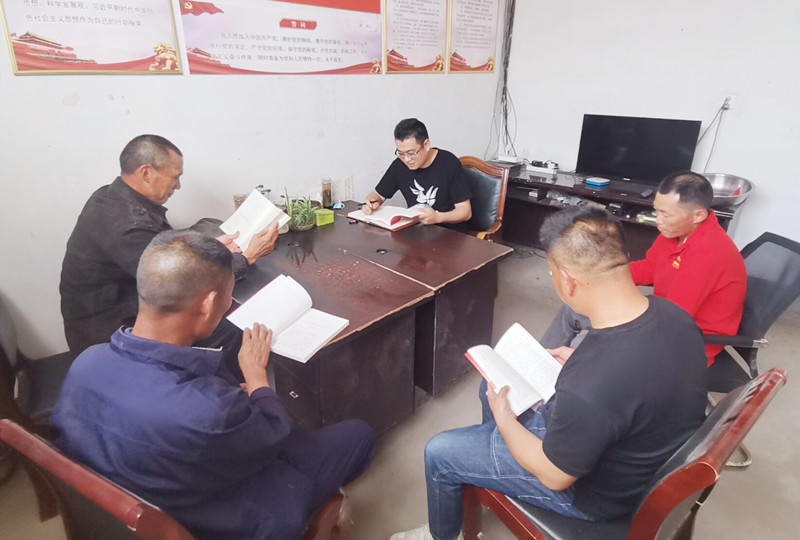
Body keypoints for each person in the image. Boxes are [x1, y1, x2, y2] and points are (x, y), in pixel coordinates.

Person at [392, 207, 708, 540]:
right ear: (623, 258)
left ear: (568, 281)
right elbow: (631, 380)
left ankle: (443, 535)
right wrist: (577, 362)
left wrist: (505, 419)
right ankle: (489, 470)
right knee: (495, 386)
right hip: (632, 451)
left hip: (593, 495)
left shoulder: (591, 383)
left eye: (552, 273)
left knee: (440, 452)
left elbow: (555, 476)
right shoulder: (674, 316)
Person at [51, 230, 375, 540]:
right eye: (228, 297)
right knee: (358, 435)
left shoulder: (86, 362)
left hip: (147, 489)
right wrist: (256, 376)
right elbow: (274, 432)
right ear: (207, 304)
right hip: (231, 517)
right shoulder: (209, 411)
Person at [59, 134, 278, 369]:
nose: (178, 185)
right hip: (111, 335)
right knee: (232, 328)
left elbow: (165, 251)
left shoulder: (110, 196)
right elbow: (182, 281)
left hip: (126, 306)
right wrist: (246, 257)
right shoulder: (129, 225)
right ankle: (232, 389)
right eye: (175, 177)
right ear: (146, 173)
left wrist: (212, 246)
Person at [541, 171, 746, 366]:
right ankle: (539, 361)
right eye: (657, 211)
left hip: (683, 340)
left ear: (698, 216)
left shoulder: (708, 253)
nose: (658, 220)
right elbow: (650, 268)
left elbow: (674, 317)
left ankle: (570, 377)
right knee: (574, 309)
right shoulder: (674, 233)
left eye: (665, 214)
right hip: (660, 315)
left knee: (584, 348)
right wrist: (600, 275)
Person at [362, 118, 472, 228]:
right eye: (401, 153)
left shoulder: (449, 163)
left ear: (426, 145)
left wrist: (438, 217)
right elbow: (378, 195)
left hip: (449, 232)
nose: (407, 159)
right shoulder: (399, 166)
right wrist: (371, 202)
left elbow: (465, 212)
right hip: (416, 230)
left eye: (411, 153)